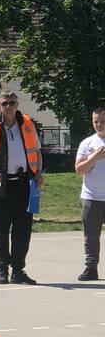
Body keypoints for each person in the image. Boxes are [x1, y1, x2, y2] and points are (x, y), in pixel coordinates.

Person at [0, 92, 43, 284]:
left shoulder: (27, 124)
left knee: (23, 231)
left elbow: (37, 152)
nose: (8, 106)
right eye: (4, 103)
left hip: (24, 184)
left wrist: (38, 173)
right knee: (1, 231)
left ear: (17, 104)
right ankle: (3, 269)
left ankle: (18, 271)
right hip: (0, 186)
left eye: (12, 103)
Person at [74, 106, 105, 281]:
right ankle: (91, 268)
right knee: (91, 236)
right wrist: (94, 157)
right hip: (91, 197)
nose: (99, 124)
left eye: (103, 121)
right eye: (96, 121)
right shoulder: (87, 143)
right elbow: (79, 169)